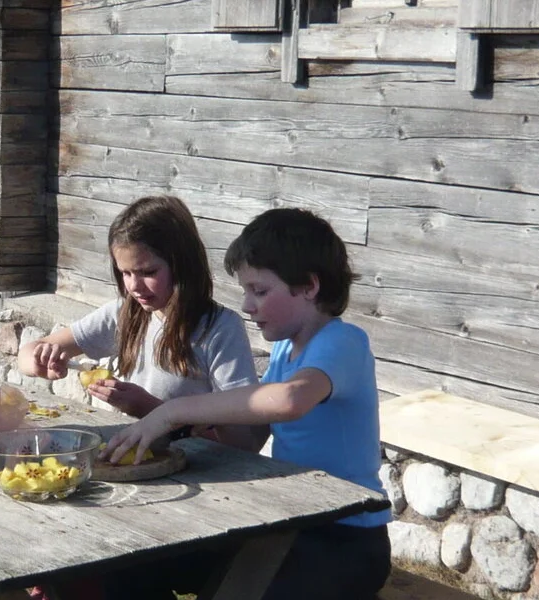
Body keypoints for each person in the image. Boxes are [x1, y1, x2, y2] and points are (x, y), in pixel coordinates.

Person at [105, 208, 393, 599]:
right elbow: (251, 435)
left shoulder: (343, 341)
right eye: (245, 291)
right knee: (134, 565)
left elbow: (290, 400)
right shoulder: (285, 351)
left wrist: (172, 411)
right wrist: (190, 426)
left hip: (346, 538)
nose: (246, 305)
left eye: (259, 291)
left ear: (309, 286)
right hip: (293, 523)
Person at [14, 196, 263, 452]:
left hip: (204, 467)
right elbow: (26, 354)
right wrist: (41, 361)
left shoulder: (220, 328)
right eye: (126, 273)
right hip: (137, 461)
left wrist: (146, 407)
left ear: (181, 265)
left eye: (148, 272)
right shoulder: (125, 313)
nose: (134, 286)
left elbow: (245, 442)